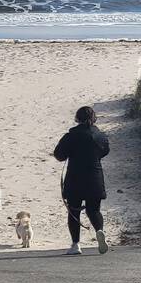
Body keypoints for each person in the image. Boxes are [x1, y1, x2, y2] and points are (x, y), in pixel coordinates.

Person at [52, 106, 110, 255]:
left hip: (75, 177)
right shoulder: (100, 135)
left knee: (74, 211)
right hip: (95, 176)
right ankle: (99, 231)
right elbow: (105, 151)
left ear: (77, 118)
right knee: (94, 210)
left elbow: (59, 155)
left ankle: (76, 244)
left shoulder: (71, 136)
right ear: (94, 118)